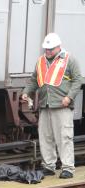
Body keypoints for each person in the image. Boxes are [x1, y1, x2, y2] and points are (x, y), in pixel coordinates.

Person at [22, 33, 82, 179]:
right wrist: (26, 92)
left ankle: (68, 168)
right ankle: (48, 166)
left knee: (64, 137)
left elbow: (78, 80)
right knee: (45, 137)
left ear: (58, 47)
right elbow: (33, 80)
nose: (47, 51)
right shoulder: (41, 61)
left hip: (62, 106)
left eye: (50, 49)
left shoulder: (69, 59)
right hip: (45, 106)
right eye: (46, 49)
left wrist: (69, 97)